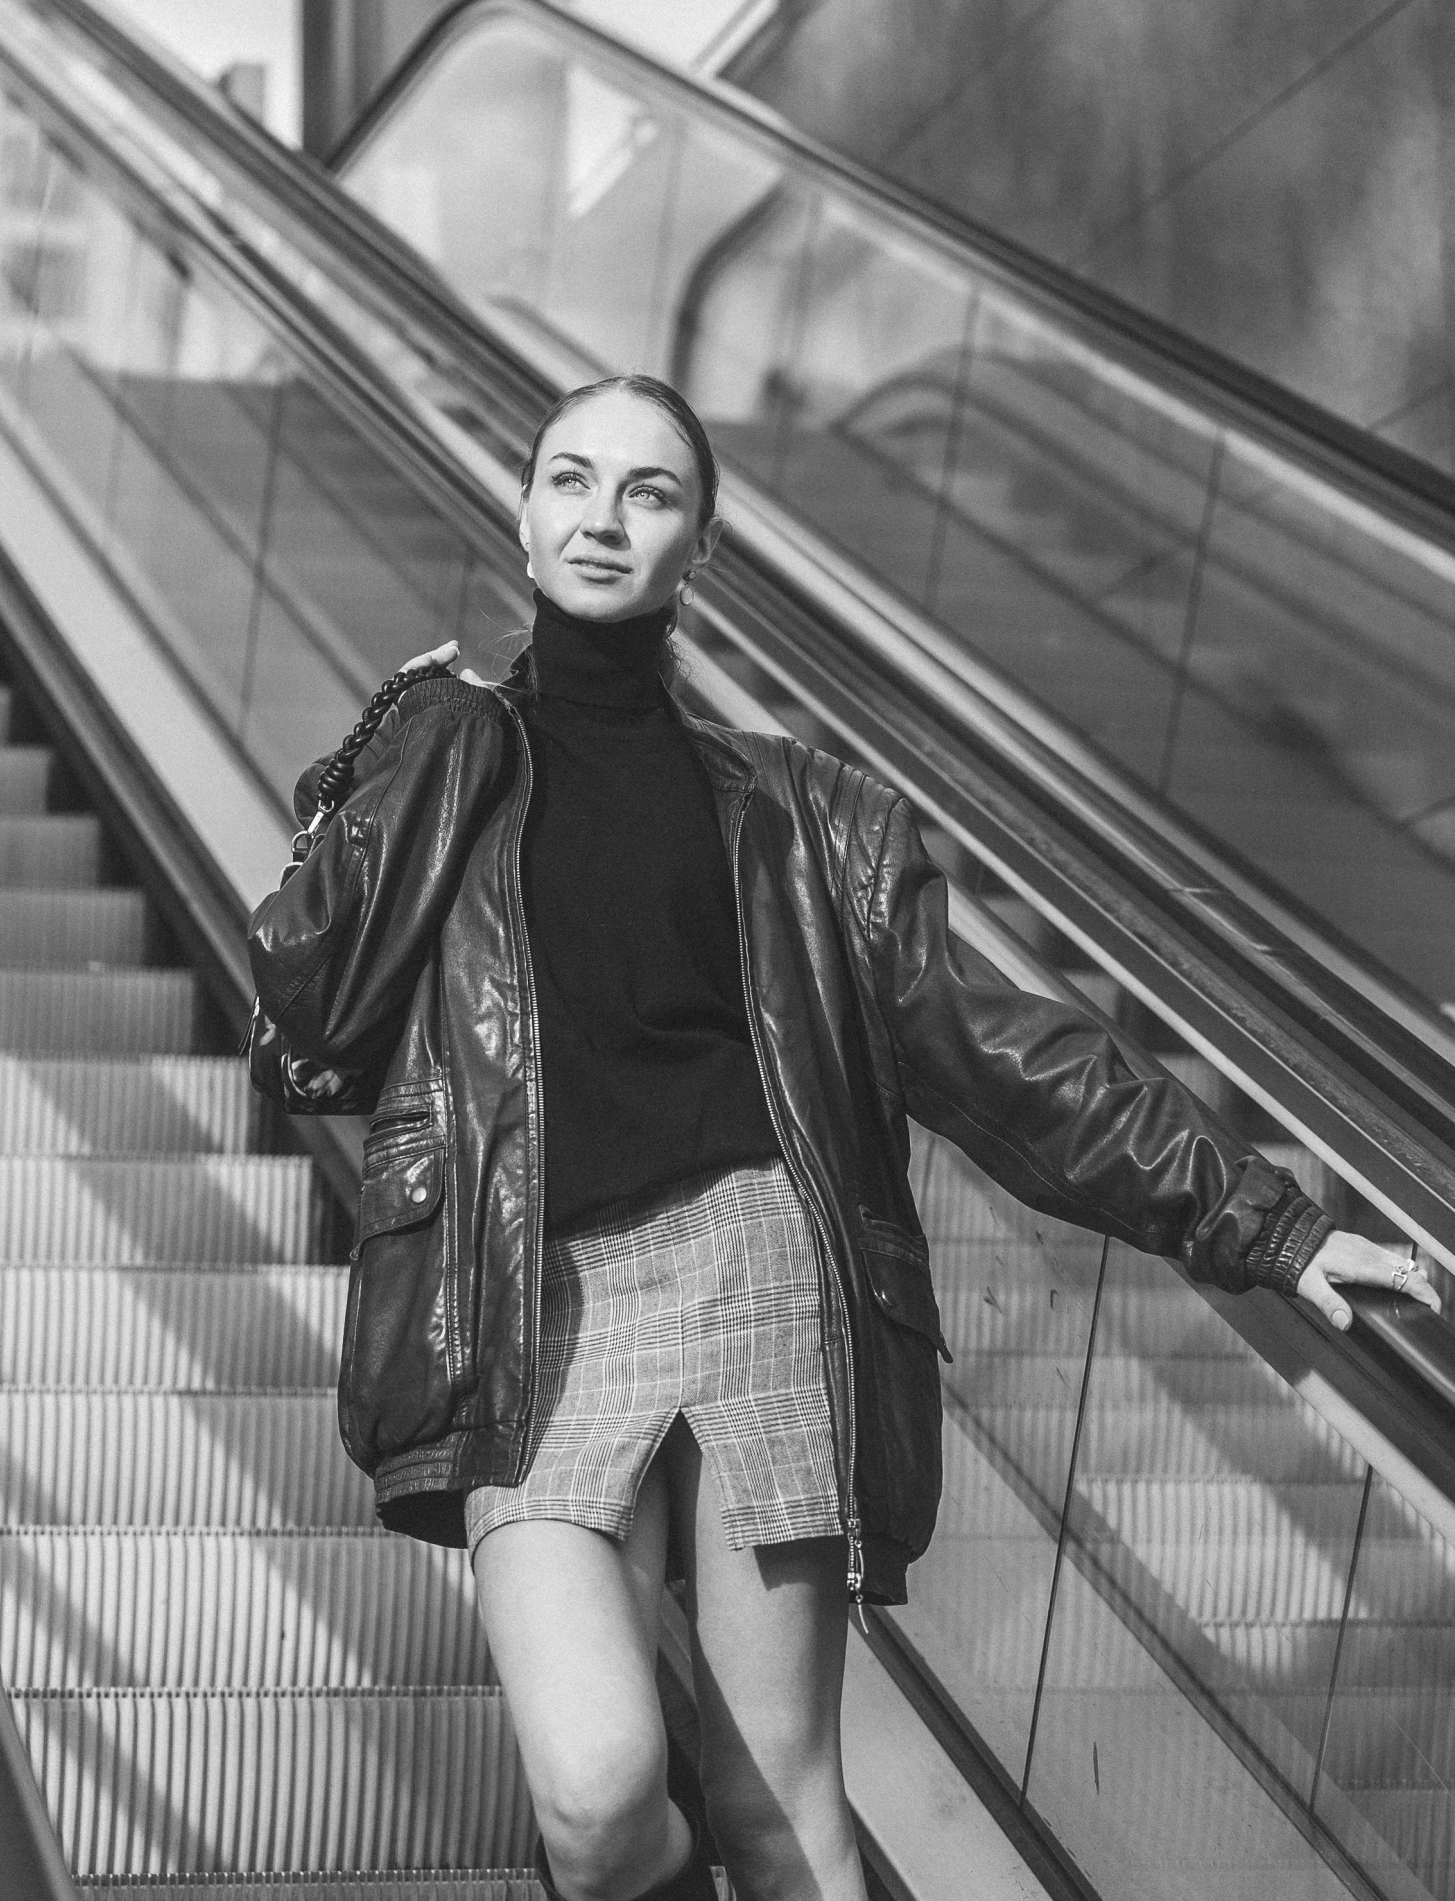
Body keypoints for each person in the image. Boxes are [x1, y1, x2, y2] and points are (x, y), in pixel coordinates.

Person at [247, 374, 1438, 1901]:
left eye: (650, 492)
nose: (602, 517)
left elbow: (995, 1044)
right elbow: (307, 1017)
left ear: (702, 546)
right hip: (525, 1292)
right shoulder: (451, 758)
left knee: (777, 1806)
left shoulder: (808, 813)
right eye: (570, 480)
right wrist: (384, 752)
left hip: (761, 1274)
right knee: (597, 1797)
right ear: (527, 514)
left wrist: (1262, 1219)